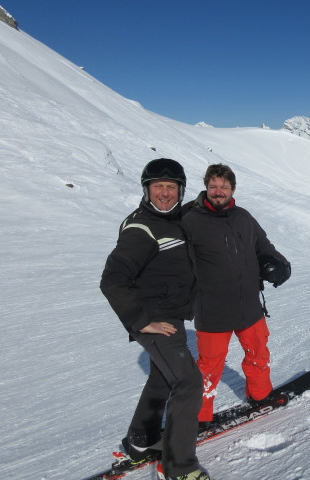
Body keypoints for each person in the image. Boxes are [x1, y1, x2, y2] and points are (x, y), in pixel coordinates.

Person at [100, 158, 209, 480]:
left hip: (170, 314)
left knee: (163, 378)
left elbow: (190, 209)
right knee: (188, 382)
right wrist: (140, 320)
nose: (164, 193)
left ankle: (141, 441)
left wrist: (211, 197)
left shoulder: (174, 219)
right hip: (154, 317)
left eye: (171, 187)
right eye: (158, 186)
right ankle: (178, 467)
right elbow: (112, 280)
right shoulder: (141, 228)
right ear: (147, 190)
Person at [183, 163, 291, 424]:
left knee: (258, 355)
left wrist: (278, 263)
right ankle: (198, 418)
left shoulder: (243, 217)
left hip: (249, 307)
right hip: (212, 310)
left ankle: (260, 396)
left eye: (224, 187)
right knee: (208, 367)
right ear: (206, 188)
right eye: (213, 186)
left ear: (232, 189)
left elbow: (263, 245)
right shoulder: (189, 220)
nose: (218, 191)